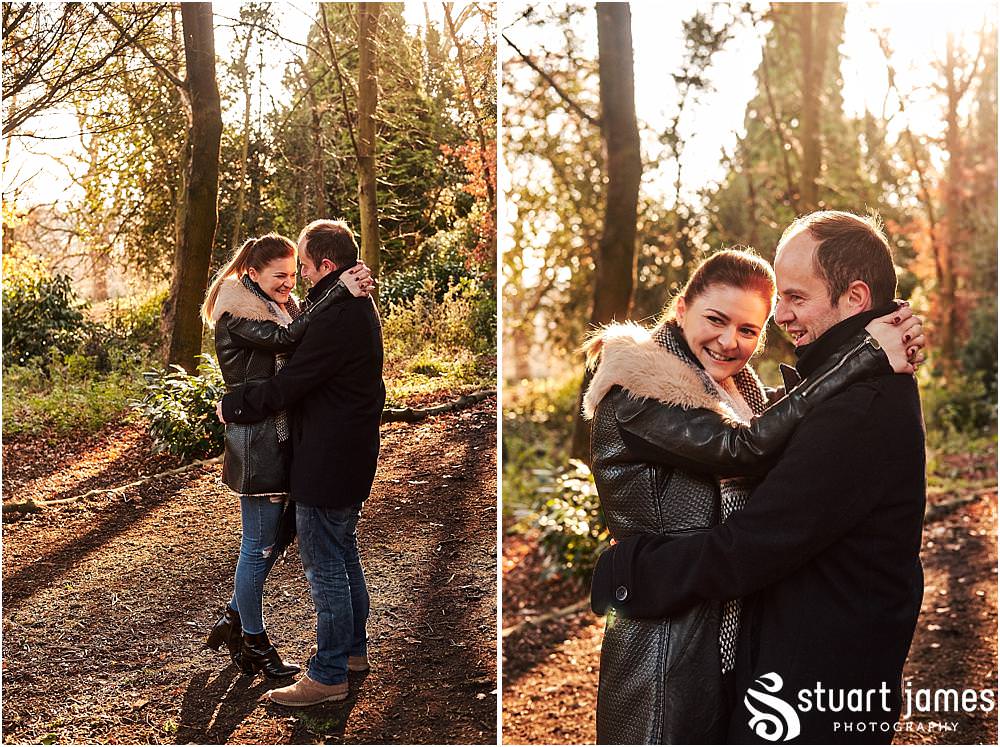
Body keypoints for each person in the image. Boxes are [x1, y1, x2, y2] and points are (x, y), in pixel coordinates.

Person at [591, 211, 927, 744]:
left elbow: (752, 543)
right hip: (699, 646)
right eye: (716, 319)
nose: (781, 321)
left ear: (856, 299)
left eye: (794, 299)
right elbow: (749, 443)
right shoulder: (643, 387)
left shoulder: (856, 402)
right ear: (682, 309)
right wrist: (864, 352)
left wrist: (634, 571)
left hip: (817, 678)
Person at [218, 219, 385, 707]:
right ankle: (352, 653)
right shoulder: (350, 301)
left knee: (326, 568)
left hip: (328, 457)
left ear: (326, 265)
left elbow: (293, 383)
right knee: (344, 555)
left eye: (306, 267)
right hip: (348, 451)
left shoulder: (338, 313)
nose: (301, 278)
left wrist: (235, 406)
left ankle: (328, 674)